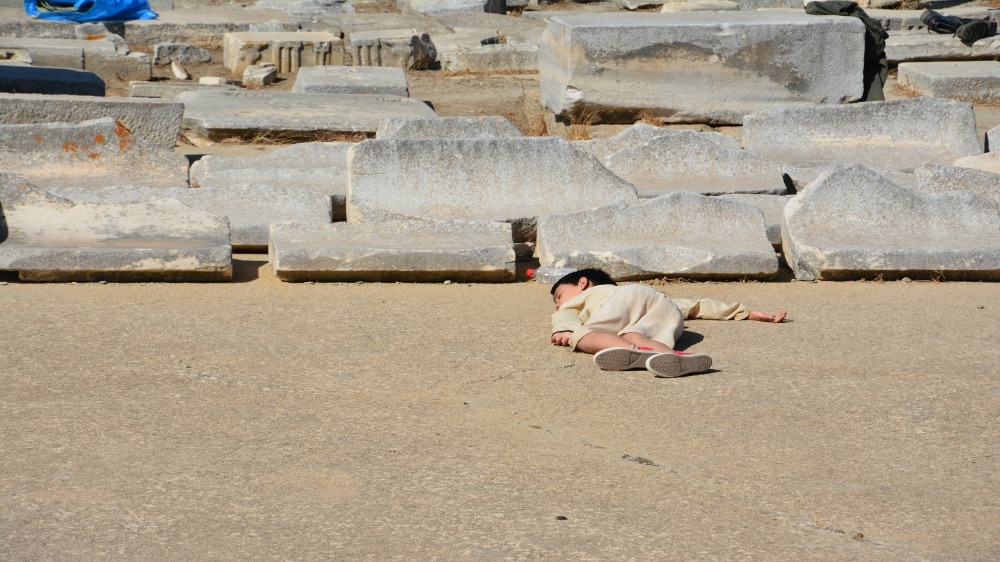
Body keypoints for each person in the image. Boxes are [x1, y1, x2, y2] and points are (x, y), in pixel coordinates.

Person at [549, 268, 786, 378]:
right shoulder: (635, 292)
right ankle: (675, 357)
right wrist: (744, 312)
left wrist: (565, 329)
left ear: (582, 283)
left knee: (586, 334)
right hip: (664, 305)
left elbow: (564, 316)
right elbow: (695, 305)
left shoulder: (594, 295)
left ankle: (631, 352)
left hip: (627, 300)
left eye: (559, 295)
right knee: (635, 334)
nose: (558, 304)